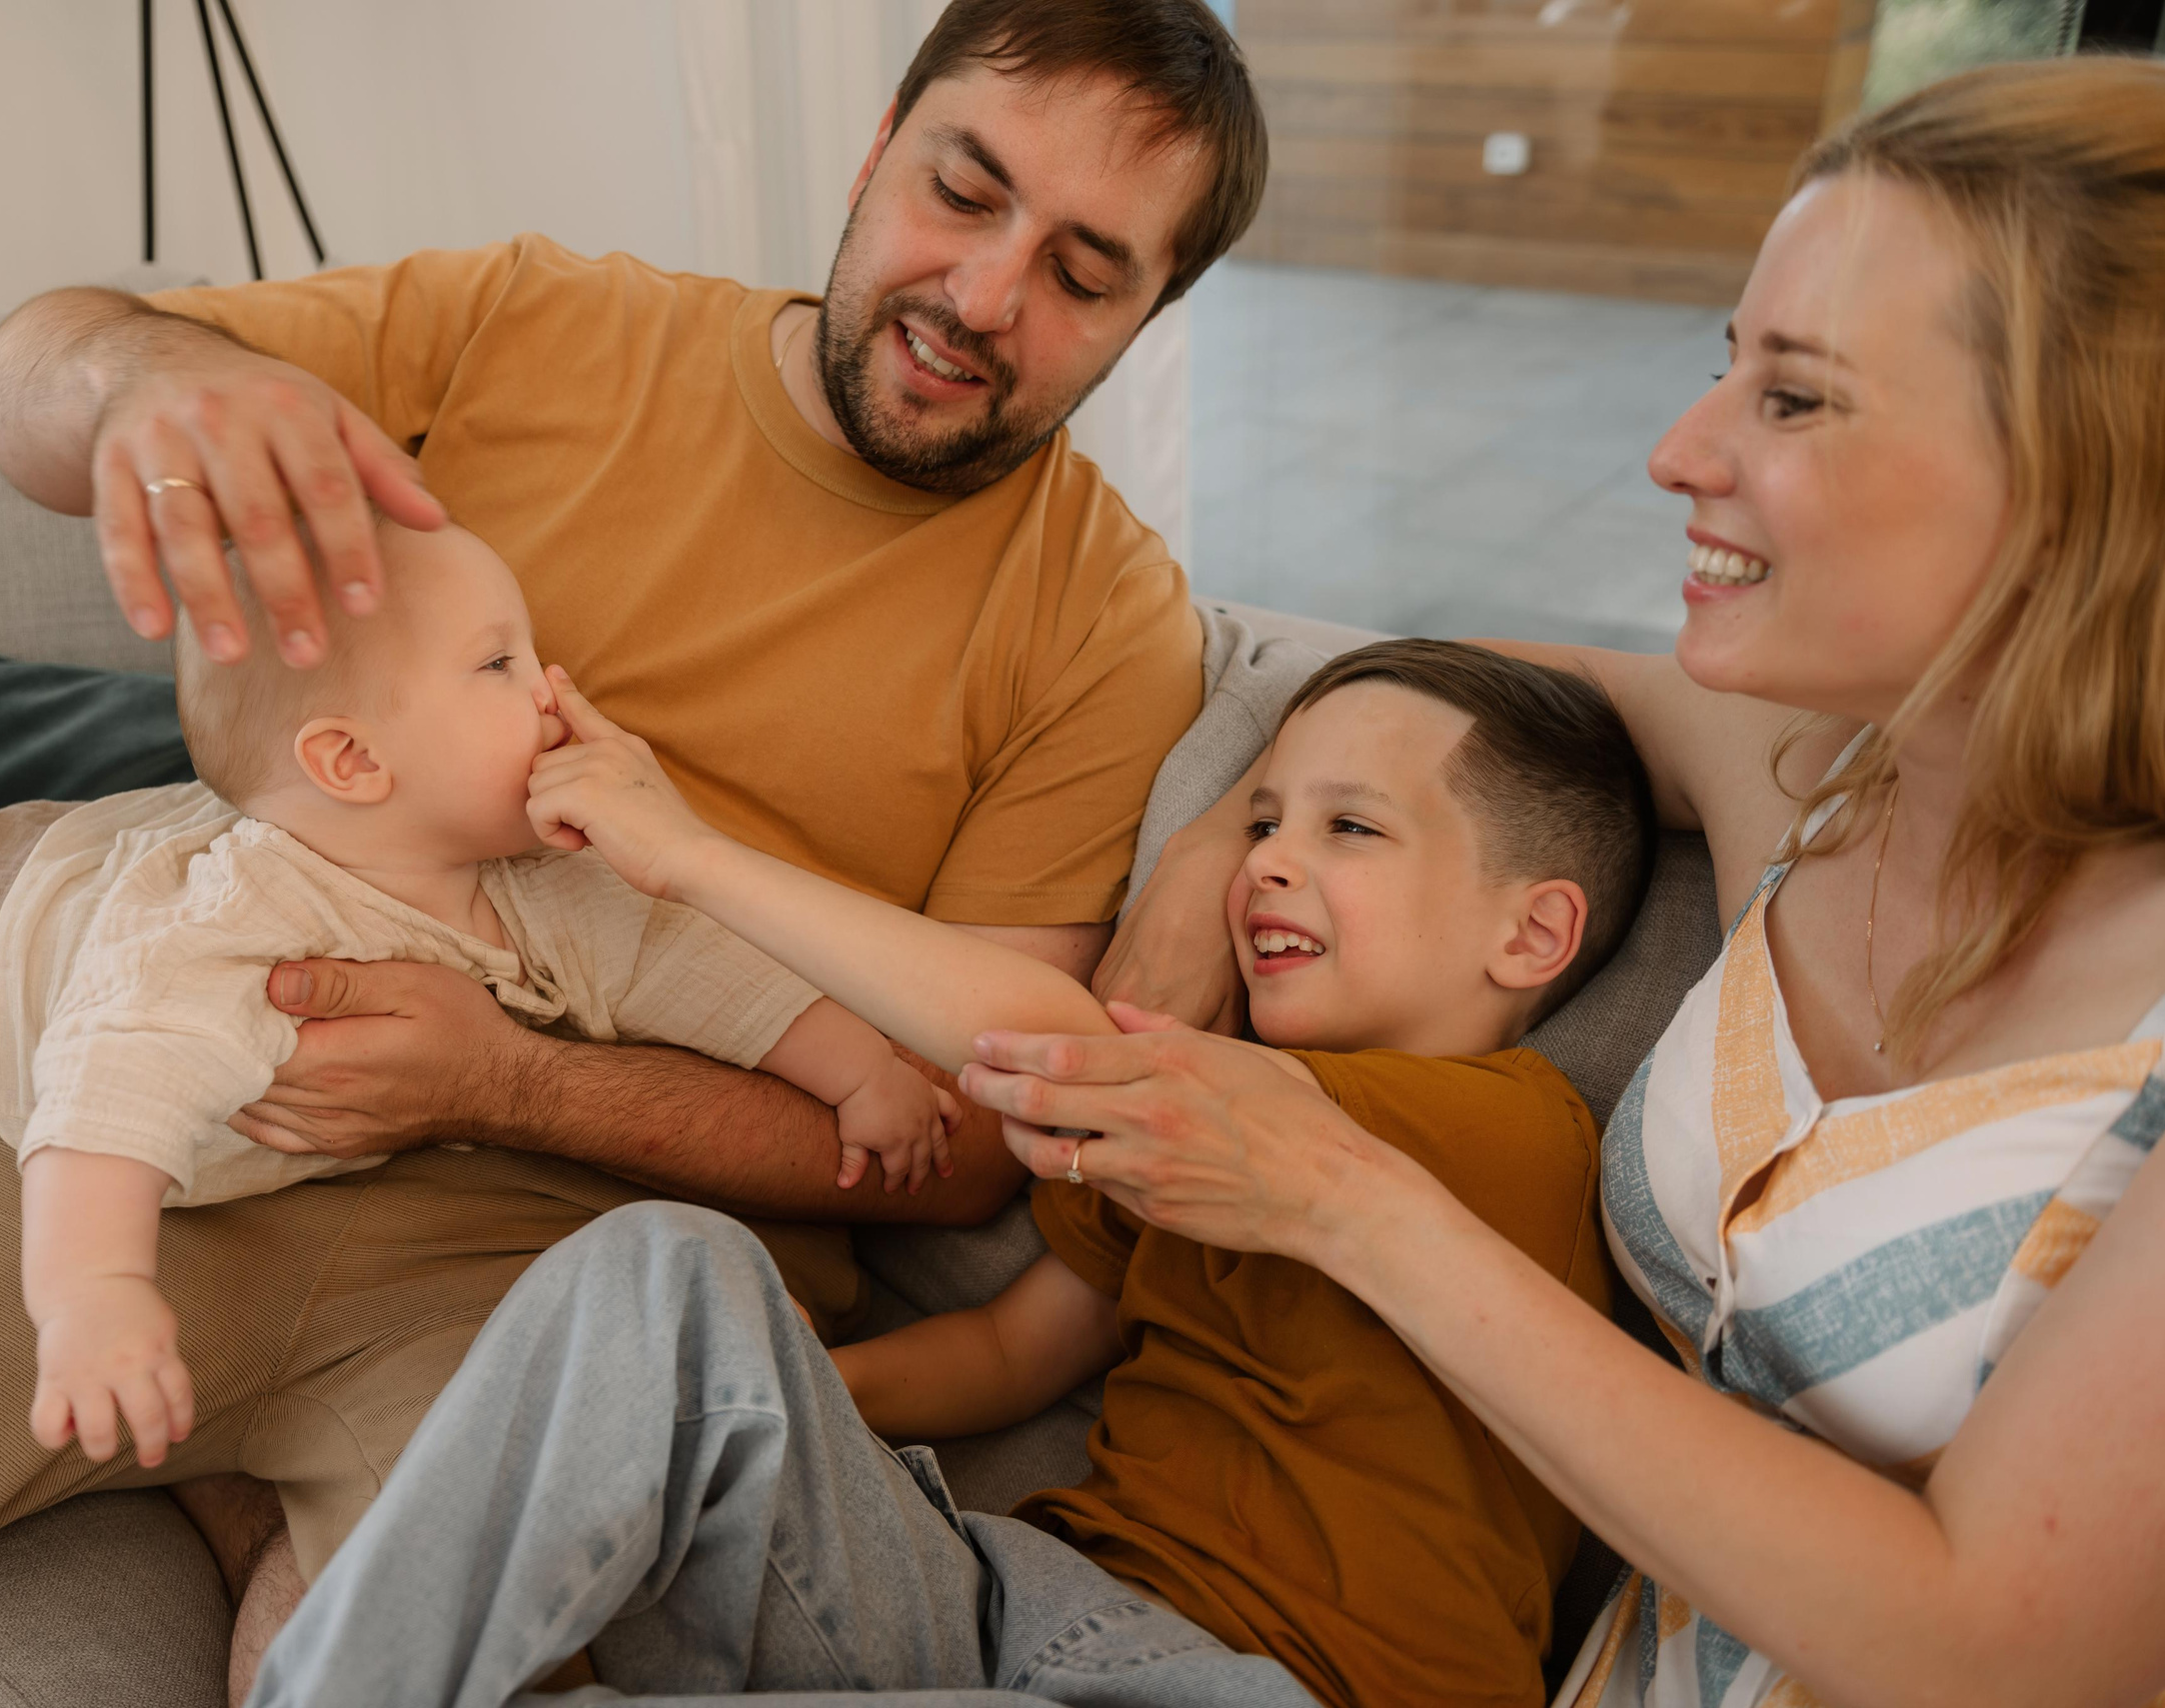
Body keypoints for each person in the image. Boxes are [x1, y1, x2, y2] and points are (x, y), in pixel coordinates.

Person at [0, 5, 1267, 1704]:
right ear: (875, 148)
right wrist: (149, 377)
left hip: (560, 1293)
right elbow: (36, 370)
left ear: (1153, 314)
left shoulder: (1100, 620)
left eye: (1085, 272)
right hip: (162, 1121)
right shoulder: (536, 324)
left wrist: (502, 1081)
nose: (986, 299)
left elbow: (967, 1149)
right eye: (965, 189)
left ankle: (247, 1514)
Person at [991, 59, 2165, 1708]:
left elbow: (1993, 1643)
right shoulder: (1805, 779)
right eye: (1726, 367)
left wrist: (1345, 1196)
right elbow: (1436, 686)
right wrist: (1230, 830)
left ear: (2085, 487)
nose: (1678, 452)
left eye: (1797, 396)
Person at [235, 636, 1653, 1707]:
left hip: (1250, 1692)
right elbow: (1006, 1349)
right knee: (672, 1269)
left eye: (1348, 827)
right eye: (1261, 821)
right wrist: (706, 1416)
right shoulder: (1186, 1141)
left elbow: (1051, 1049)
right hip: (1001, 1609)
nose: (1267, 863)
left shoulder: (1508, 1132)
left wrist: (690, 857)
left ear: (1532, 935)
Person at [0, 521, 958, 1469]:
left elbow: (704, 968)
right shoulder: (232, 943)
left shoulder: (553, 881)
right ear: (351, 759)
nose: (556, 691)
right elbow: (104, 1095)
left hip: (82, 879)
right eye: (500, 665)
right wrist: (93, 1287)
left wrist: (863, 1072)